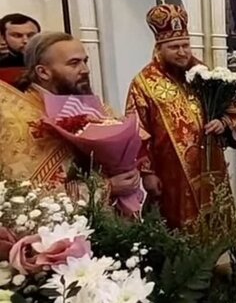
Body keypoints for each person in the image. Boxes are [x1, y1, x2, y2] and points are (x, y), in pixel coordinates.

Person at [125, 5, 236, 229]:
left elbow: (231, 106)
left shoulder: (203, 73)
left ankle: (214, 260)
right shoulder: (144, 83)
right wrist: (147, 173)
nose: (182, 52)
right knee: (178, 228)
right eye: (174, 47)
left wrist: (222, 122)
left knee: (214, 223)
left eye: (186, 45)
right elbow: (136, 131)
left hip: (210, 165)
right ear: (159, 48)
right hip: (171, 173)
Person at [0, 32, 139, 199]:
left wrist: (129, 172)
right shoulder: (18, 119)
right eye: (74, 63)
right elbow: (27, 197)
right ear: (43, 72)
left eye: (85, 61)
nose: (85, 70)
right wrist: (105, 188)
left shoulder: (96, 108)